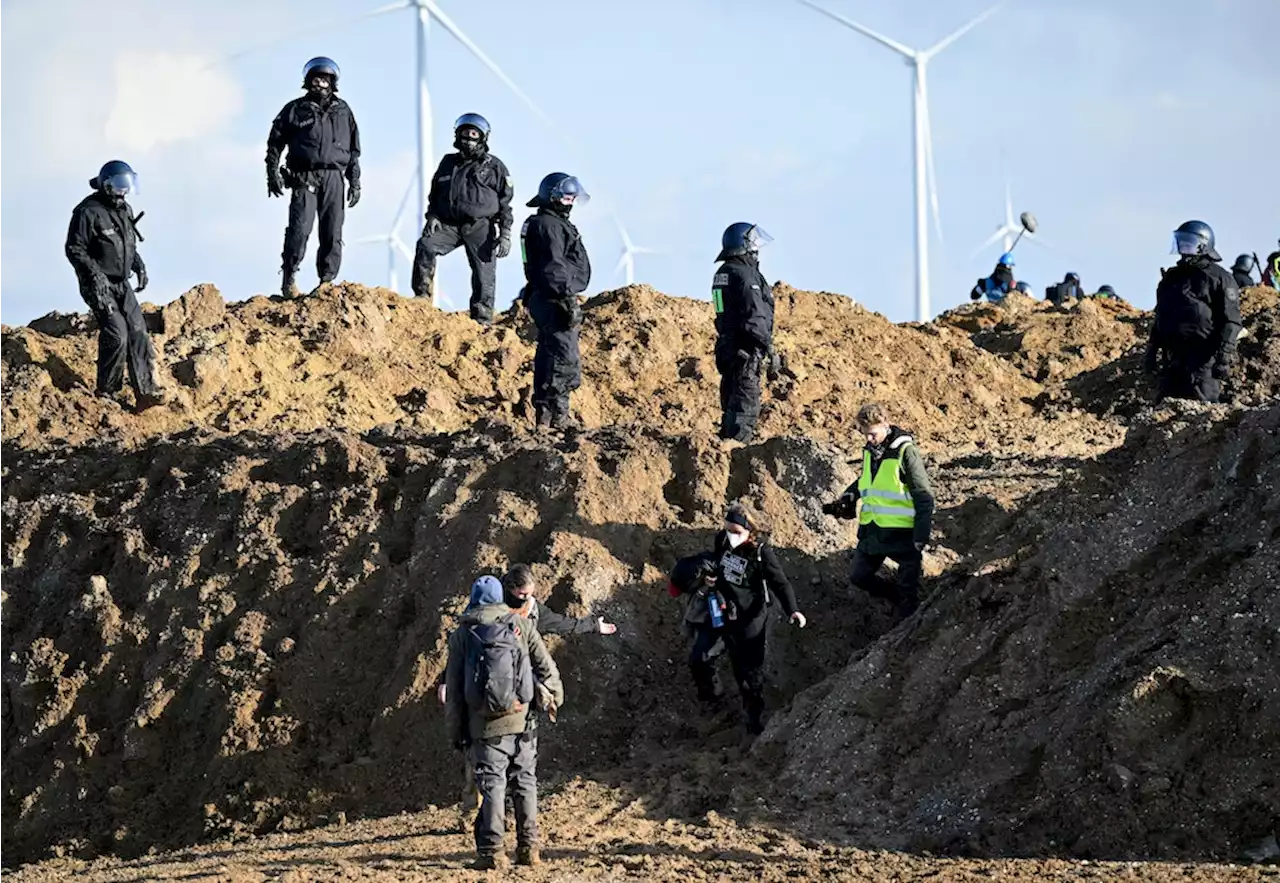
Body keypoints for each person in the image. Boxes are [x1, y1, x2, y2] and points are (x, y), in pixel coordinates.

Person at [445, 575, 563, 870]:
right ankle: (529, 849)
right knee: (525, 781)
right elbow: (546, 666)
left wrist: (456, 732)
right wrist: (553, 699)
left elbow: (455, 692)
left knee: (493, 785)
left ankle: (492, 853)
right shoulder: (520, 625)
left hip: (483, 725)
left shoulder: (462, 634)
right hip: (523, 719)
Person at [672, 503, 806, 735]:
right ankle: (712, 695)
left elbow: (780, 583)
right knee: (699, 656)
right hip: (721, 609)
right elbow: (718, 565)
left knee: (748, 673)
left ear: (749, 531)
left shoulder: (761, 553)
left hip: (749, 619)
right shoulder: (722, 541)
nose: (730, 536)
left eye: (736, 532)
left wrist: (792, 609)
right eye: (727, 530)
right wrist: (710, 580)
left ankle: (754, 717)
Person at [65, 160, 165, 410]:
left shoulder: (125, 210)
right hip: (98, 283)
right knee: (117, 333)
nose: (124, 191)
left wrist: (138, 264)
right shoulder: (87, 212)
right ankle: (108, 391)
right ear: (107, 185)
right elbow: (74, 248)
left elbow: (128, 243)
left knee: (138, 330)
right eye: (120, 186)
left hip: (122, 283)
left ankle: (146, 391)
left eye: (128, 185)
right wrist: (94, 275)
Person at [822, 402, 935, 618]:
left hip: (902, 533)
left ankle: (907, 624)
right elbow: (868, 480)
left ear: (885, 424)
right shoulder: (870, 451)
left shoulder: (905, 452)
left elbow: (923, 495)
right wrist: (850, 494)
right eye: (865, 434)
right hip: (872, 531)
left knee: (908, 593)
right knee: (859, 576)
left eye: (872, 434)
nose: (868, 439)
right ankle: (892, 596)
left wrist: (921, 534)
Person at [266, 56, 362, 298]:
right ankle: (289, 278)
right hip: (304, 176)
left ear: (333, 82)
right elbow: (275, 143)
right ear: (308, 81)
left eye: (325, 80)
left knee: (332, 232)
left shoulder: (344, 111)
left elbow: (353, 150)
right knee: (300, 229)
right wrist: (272, 173)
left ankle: (326, 282)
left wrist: (355, 181)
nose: (320, 84)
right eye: (316, 79)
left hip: (334, 178)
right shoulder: (294, 109)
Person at [410, 114, 515, 323]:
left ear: (483, 138)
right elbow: (435, 193)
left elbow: (505, 203)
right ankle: (422, 296)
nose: (468, 139)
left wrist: (505, 234)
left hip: (480, 226)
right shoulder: (448, 163)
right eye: (464, 134)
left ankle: (482, 318)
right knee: (426, 246)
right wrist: (432, 216)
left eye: (474, 134)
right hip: (449, 224)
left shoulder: (495, 167)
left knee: (483, 272)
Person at [520, 173, 592, 430]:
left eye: (573, 198)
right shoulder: (549, 225)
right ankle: (559, 416)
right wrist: (565, 299)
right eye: (566, 197)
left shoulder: (542, 222)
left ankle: (545, 417)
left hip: (544, 295)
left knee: (549, 354)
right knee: (563, 356)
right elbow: (553, 266)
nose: (570, 203)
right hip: (553, 297)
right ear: (552, 197)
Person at [1145, 220, 1242, 404]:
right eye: (1181, 242)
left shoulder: (1219, 278)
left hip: (1203, 358)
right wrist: (1151, 351)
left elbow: (1231, 321)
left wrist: (1224, 355)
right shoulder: (1172, 279)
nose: (1184, 247)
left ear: (1203, 245)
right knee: (1164, 408)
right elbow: (1160, 317)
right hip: (1173, 358)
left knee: (1203, 405)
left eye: (1189, 243)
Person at [712, 222, 778, 443]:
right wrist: (769, 347)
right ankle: (736, 455)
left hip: (727, 347)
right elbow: (754, 316)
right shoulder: (745, 275)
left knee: (731, 405)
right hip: (745, 350)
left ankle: (726, 449)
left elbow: (722, 313)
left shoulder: (723, 273)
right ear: (744, 243)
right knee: (744, 408)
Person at [503, 564, 618, 637]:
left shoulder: (533, 611)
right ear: (511, 586)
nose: (528, 598)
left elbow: (563, 624)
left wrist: (594, 625)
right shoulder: (491, 597)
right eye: (523, 594)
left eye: (530, 593)